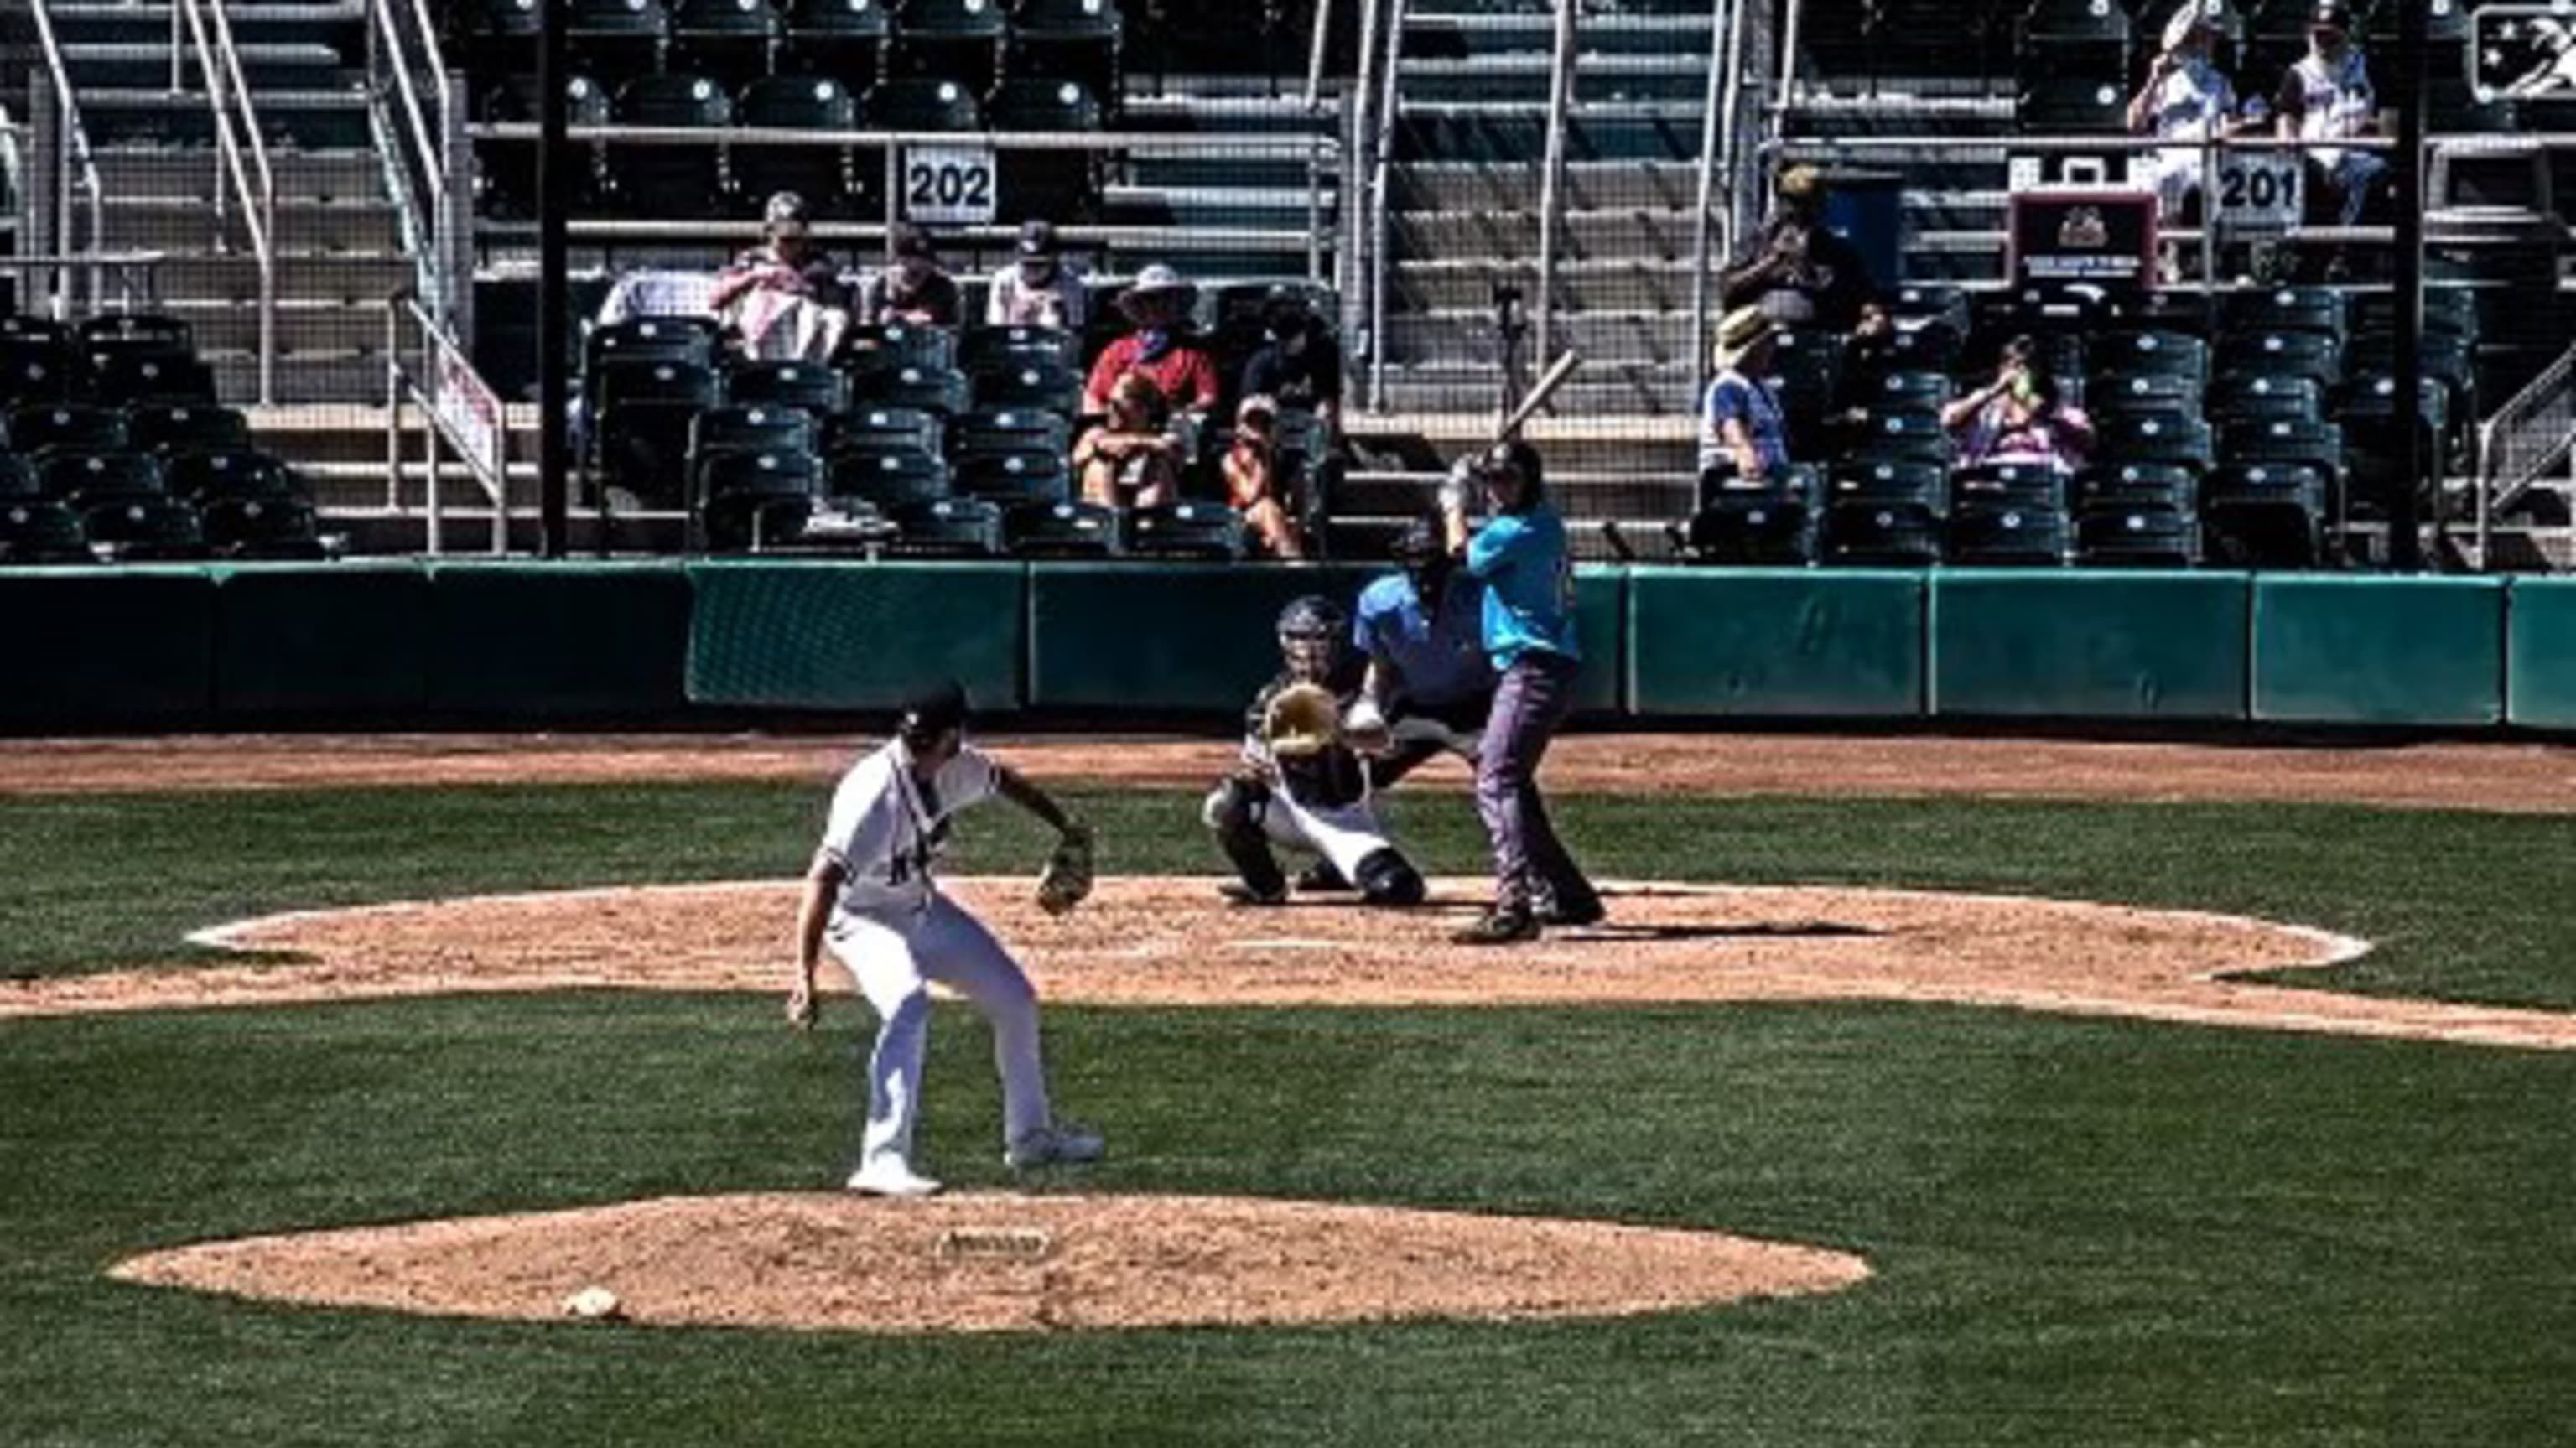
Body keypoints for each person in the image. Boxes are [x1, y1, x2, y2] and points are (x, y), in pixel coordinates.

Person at [785, 680, 1103, 1197]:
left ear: (952, 737)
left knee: (1015, 997)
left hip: (921, 909)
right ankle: (881, 1160)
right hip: (862, 920)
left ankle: (1030, 1137)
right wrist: (804, 972)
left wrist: (1063, 824)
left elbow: (1004, 781)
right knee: (908, 1002)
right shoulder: (872, 797)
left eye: (929, 741)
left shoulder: (959, 765)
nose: (919, 751)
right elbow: (822, 878)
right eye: (914, 741)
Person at [1438, 440, 1602, 944]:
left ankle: (1514, 904)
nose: (1497, 487)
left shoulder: (1520, 529)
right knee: (1512, 780)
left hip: (1534, 666)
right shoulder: (1542, 521)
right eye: (1491, 479)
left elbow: (1460, 553)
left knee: (1496, 779)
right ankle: (1569, 893)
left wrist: (1452, 504)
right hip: (1540, 665)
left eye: (1506, 478)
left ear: (1529, 480)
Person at [1202, 594, 1429, 909]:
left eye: (1318, 639)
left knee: (1399, 890)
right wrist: (1255, 770)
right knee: (1225, 801)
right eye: (1298, 638)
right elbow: (1252, 764)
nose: (1308, 649)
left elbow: (1379, 736)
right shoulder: (1272, 697)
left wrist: (1337, 733)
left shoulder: (1356, 687)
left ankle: (1336, 867)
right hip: (1289, 812)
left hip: (1343, 820)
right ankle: (1265, 886)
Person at [1348, 517, 1493, 789]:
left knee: (1501, 773)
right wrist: (1368, 704)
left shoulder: (1480, 599)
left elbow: (1503, 662)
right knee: (1358, 774)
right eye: (1415, 558)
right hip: (1414, 709)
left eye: (1431, 558)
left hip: (1475, 709)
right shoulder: (1379, 602)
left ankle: (1523, 832)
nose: (1423, 570)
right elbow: (1381, 665)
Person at [1716, 164, 1878, 335]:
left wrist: (1874, 319)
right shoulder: (1758, 242)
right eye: (1794, 203)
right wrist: (1771, 262)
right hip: (1762, 339)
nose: (1799, 212)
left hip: (1817, 338)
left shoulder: (1837, 251)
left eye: (1808, 206)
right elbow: (1729, 287)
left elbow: (1863, 298)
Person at [2128, 3, 2245, 221]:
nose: (2204, 45)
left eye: (2208, 39)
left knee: (2213, 183)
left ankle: (2208, 251)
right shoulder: (2164, 82)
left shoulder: (2221, 83)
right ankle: (2171, 248)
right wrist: (2153, 81)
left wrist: (2233, 129)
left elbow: (2232, 122)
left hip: (2208, 157)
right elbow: (2134, 125)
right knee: (2167, 178)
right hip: (2170, 156)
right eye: (2196, 38)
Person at [2273, 3, 2384, 227]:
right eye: (2318, 37)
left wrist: (2375, 130)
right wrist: (2290, 146)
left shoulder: (2366, 66)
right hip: (2314, 158)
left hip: (2358, 154)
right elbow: (2287, 121)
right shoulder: (2298, 73)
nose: (2324, 45)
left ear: (2346, 36)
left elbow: (2389, 117)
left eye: (2331, 37)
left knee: (2377, 172)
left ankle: (2351, 247)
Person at [709, 190, 854, 361]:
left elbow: (836, 298)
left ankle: (802, 369)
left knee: (828, 315)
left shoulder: (817, 260)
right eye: (783, 239)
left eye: (795, 239)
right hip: (761, 332)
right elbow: (715, 299)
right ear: (769, 233)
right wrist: (755, 277)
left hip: (805, 332)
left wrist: (800, 285)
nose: (789, 247)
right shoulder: (753, 259)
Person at [1082, 262, 1221, 417]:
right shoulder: (1117, 351)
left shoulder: (1194, 354)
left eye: (1167, 298)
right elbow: (1093, 396)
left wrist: (1181, 415)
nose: (1160, 305)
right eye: (1151, 299)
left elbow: (1208, 397)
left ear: (1177, 304)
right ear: (1139, 304)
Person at [1940, 334, 2096, 470]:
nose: (2019, 372)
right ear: (2001, 368)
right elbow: (1949, 421)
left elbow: (2087, 441)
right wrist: (1993, 392)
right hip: (1989, 479)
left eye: (2027, 366)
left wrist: (2042, 409)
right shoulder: (1985, 400)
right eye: (2012, 365)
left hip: (2042, 479)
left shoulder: (2053, 406)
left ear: (2039, 371)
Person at [1697, 305, 1790, 480]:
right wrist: (1746, 455)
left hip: (1771, 484)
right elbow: (1732, 427)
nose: (1773, 348)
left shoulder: (1761, 387)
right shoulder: (1728, 387)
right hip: (1735, 488)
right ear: (1753, 350)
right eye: (1769, 341)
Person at [1237, 288, 1344, 436]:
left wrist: (1324, 404)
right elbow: (1249, 396)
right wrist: (1266, 403)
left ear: (1304, 333)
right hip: (1273, 416)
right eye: (1284, 339)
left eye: (1294, 337)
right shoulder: (1263, 359)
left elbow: (1331, 391)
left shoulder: (1322, 355)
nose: (1289, 345)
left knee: (1325, 412)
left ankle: (1318, 455)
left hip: (1310, 414)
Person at [1072, 371, 1184, 508]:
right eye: (1110, 403)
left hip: (1149, 504)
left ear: (1142, 409)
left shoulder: (1165, 436)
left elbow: (1170, 449)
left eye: (1118, 404)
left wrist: (1142, 445)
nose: (1111, 410)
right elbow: (1094, 446)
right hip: (1102, 509)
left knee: (1159, 465)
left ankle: (1150, 517)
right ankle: (1111, 518)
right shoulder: (1096, 433)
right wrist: (1140, 443)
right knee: (1100, 464)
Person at [1218, 393, 1306, 558]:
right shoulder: (1230, 459)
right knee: (1266, 507)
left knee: (1277, 514)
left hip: (1279, 515)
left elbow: (1295, 498)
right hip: (1242, 515)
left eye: (1264, 423)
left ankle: (1284, 550)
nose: (1258, 428)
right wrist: (1261, 458)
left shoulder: (1286, 458)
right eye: (1252, 422)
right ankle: (1290, 557)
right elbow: (1250, 496)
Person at [984, 219, 1088, 330]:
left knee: (1050, 318)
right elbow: (996, 328)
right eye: (1026, 264)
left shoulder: (1071, 284)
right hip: (1013, 341)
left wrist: (1056, 311)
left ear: (1054, 260)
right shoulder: (1004, 280)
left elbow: (1076, 332)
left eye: (1039, 265)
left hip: (1054, 342)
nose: (1032, 270)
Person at [857, 223, 962, 329]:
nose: (915, 279)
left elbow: (928, 317)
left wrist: (897, 317)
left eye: (924, 269)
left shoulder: (942, 287)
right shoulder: (881, 286)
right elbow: (867, 330)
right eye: (910, 271)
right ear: (894, 265)